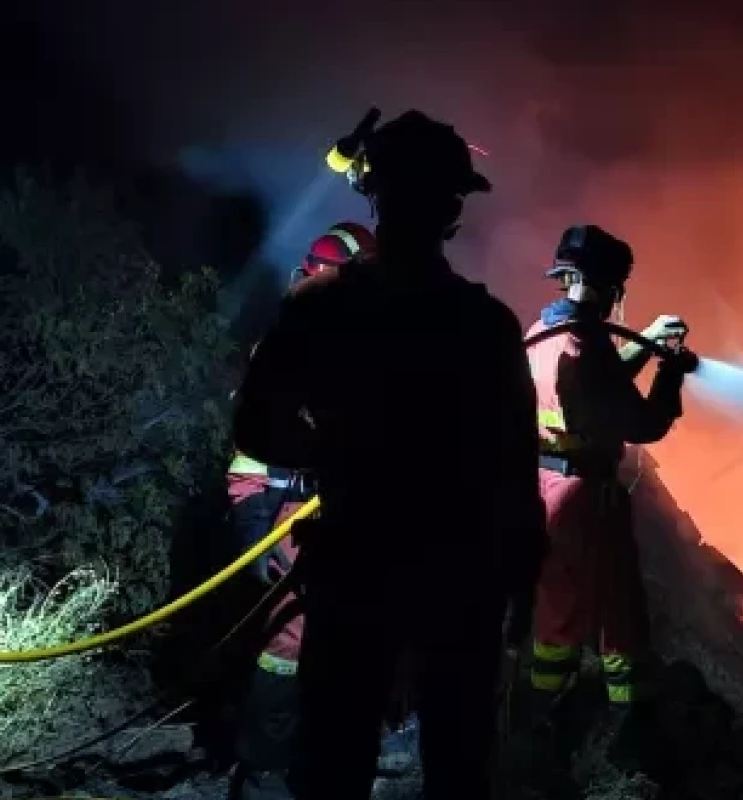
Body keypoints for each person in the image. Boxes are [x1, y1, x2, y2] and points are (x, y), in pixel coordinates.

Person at [232, 109, 545, 800]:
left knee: (334, 758)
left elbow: (256, 428)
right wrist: (522, 587)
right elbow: (516, 476)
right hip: (460, 577)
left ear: (373, 197)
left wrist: (342, 457)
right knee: (458, 761)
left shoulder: (319, 308)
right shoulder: (486, 327)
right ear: (454, 211)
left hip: (353, 563)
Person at [520, 224, 695, 764]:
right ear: (609, 284)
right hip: (586, 498)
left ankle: (534, 729)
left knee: (559, 609)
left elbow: (595, 391)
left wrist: (642, 341)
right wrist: (670, 373)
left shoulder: (544, 332)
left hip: (547, 484)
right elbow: (639, 422)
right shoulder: (588, 344)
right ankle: (622, 736)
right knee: (617, 609)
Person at [223, 223, 378, 800]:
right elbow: (249, 454)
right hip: (293, 513)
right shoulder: (291, 344)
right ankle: (263, 769)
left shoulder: (373, 343)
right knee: (286, 645)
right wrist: (253, 525)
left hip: (357, 519)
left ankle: (330, 756)